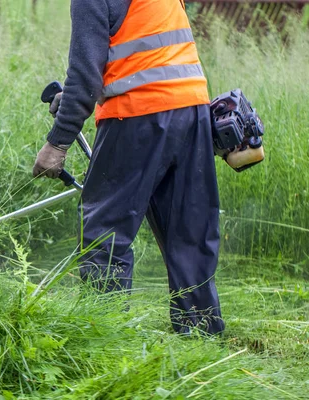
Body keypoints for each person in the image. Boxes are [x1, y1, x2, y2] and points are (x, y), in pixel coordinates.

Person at [32, 0, 225, 334]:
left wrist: (57, 143)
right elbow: (145, 50)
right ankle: (201, 335)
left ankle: (104, 338)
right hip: (193, 110)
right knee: (188, 232)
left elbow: (84, 75)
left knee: (102, 235)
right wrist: (83, 97)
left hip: (138, 115)